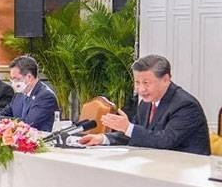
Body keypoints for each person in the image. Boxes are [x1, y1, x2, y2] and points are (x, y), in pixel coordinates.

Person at [77, 54, 211, 155]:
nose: (141, 89)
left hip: (186, 175)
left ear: (166, 79)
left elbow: (165, 141)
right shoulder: (146, 104)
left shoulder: (185, 105)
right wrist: (103, 138)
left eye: (146, 83)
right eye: (137, 82)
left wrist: (127, 127)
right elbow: (137, 134)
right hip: (156, 167)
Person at [0, 55, 58, 132]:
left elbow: (28, 124)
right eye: (12, 79)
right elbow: (5, 113)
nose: (13, 83)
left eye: (16, 79)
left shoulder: (46, 96)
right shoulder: (19, 94)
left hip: (39, 141)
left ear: (29, 77)